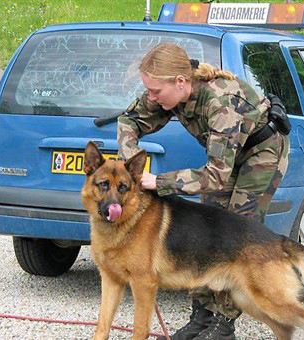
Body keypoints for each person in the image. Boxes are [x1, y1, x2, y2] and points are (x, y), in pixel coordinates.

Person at [117, 43, 290, 340]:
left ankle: (223, 323)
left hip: (261, 153)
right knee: (205, 231)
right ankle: (202, 315)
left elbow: (216, 176)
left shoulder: (221, 103)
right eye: (148, 90)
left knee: (236, 234)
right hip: (224, 160)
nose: (151, 97)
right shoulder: (167, 92)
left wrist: (156, 182)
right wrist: (132, 165)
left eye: (156, 91)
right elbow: (128, 121)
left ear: (180, 82)